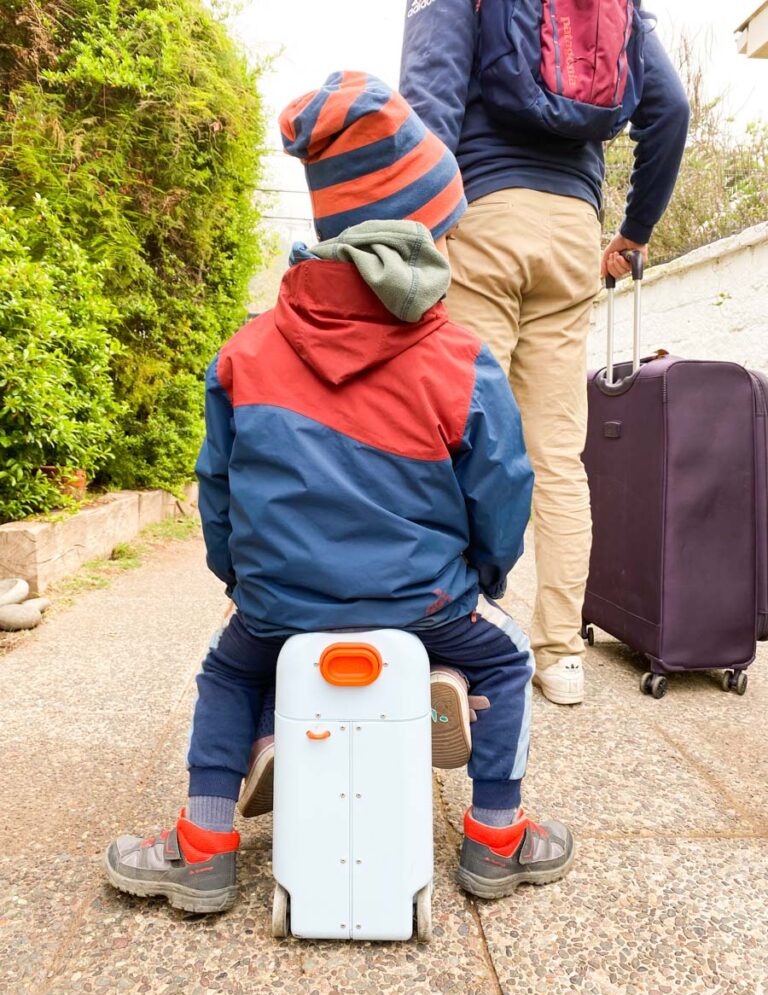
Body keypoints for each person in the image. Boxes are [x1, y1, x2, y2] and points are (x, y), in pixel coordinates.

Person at [103, 72, 573, 913]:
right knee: (503, 657)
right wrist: (485, 577)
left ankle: (205, 845)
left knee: (225, 671)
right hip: (425, 603)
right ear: (426, 234)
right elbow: (503, 493)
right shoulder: (461, 358)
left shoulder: (245, 353)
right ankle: (497, 838)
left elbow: (217, 493)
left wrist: (242, 583)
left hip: (280, 605)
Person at [400, 0, 690, 705]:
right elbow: (672, 108)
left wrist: (424, 223)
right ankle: (559, 655)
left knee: (453, 435)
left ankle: (448, 634)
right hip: (571, 230)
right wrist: (636, 229)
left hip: (480, 217)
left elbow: (427, 93)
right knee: (559, 455)